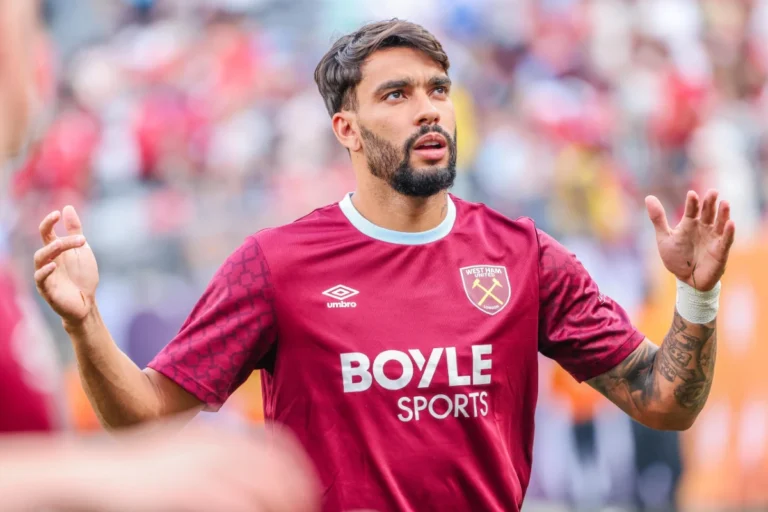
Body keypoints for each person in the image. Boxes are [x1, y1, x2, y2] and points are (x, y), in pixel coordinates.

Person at [34, 19, 736, 512]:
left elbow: (664, 402)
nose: (428, 110)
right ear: (347, 128)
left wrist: (696, 300)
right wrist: (85, 322)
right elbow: (145, 421)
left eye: (437, 89)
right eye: (397, 95)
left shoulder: (525, 257)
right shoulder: (274, 266)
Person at [0, 1, 320, 511]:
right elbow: (147, 419)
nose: (40, 50)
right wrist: (103, 477)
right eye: (29, 21)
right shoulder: (275, 262)